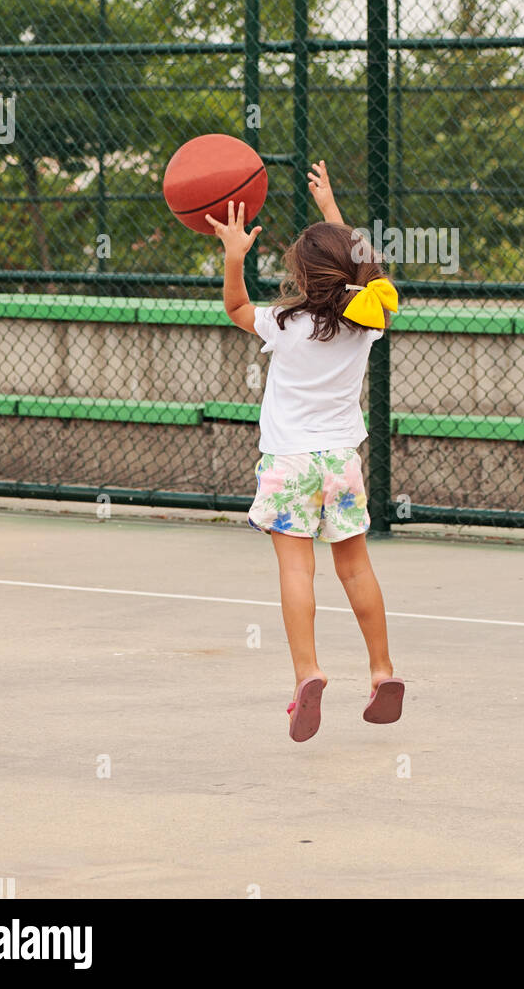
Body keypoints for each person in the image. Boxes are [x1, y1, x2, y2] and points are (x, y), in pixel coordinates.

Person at [206, 160, 404, 742]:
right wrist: (331, 211)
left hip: (289, 461)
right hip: (341, 462)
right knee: (356, 566)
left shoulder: (284, 323)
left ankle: (307, 674)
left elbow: (236, 309)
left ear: (300, 274)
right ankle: (382, 669)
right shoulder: (366, 320)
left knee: (298, 570)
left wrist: (235, 255)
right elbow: (360, 274)